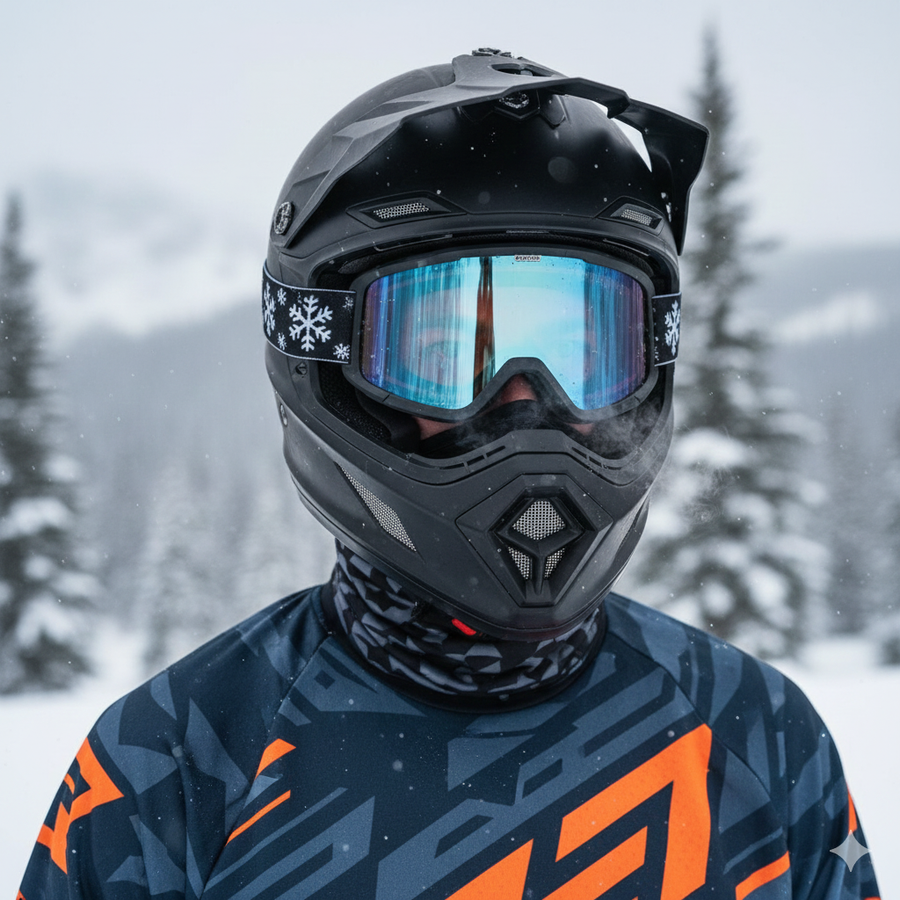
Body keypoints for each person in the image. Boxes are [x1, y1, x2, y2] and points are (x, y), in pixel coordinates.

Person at [19, 50, 880, 900]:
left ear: (649, 357)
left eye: (585, 352)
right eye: (441, 353)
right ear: (328, 362)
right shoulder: (171, 767)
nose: (527, 405)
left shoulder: (760, 738)